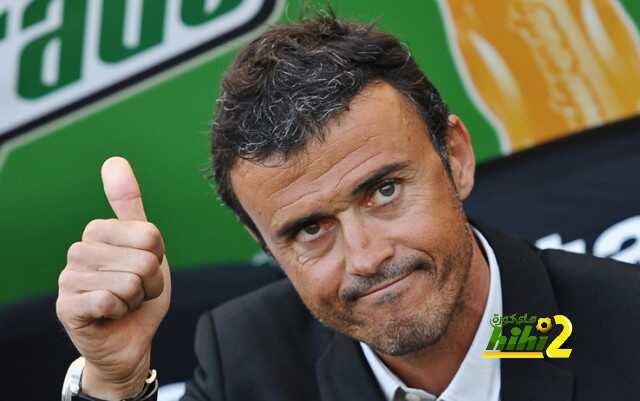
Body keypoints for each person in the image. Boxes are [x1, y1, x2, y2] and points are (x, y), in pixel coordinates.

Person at [56, 15, 639, 401]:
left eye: (384, 191)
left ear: (455, 157)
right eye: (310, 229)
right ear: (267, 247)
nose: (366, 258)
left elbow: (544, 341)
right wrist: (116, 378)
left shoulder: (619, 322)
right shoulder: (250, 357)